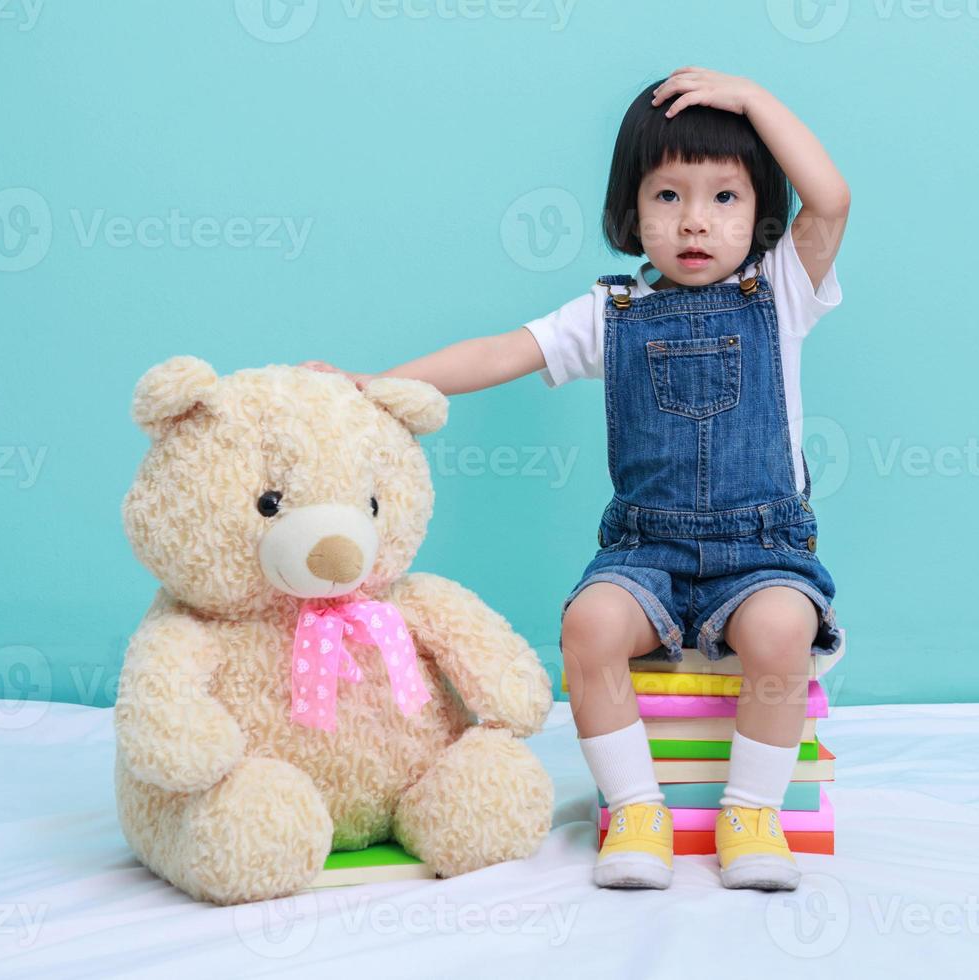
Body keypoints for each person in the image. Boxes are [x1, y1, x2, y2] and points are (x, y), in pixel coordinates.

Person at [301, 66, 849, 892]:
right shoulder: (610, 312)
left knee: (780, 635)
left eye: (725, 198)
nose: (694, 220)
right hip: (646, 552)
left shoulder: (780, 291)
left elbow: (833, 199)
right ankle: (635, 807)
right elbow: (498, 352)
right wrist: (375, 383)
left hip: (761, 548)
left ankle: (751, 811)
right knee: (589, 627)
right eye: (667, 196)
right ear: (631, 212)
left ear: (761, 213)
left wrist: (754, 101)